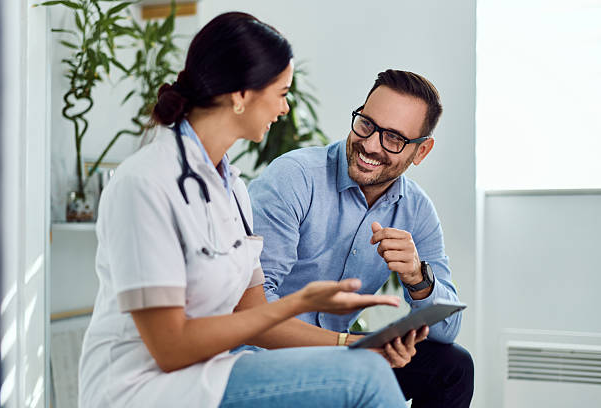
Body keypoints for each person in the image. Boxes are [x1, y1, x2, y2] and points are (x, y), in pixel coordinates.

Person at [77, 12, 415, 408]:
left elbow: (256, 321)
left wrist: (351, 343)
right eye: (281, 91)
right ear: (241, 95)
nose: (286, 108)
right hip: (140, 388)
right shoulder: (145, 182)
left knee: (367, 366)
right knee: (366, 381)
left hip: (210, 373)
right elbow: (169, 349)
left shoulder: (231, 189)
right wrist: (302, 302)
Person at [248, 69, 475, 407]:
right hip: (269, 355)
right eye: (366, 124)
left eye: (393, 138)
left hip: (341, 352)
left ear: (421, 151)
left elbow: (446, 329)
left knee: (452, 365)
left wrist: (417, 278)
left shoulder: (416, 210)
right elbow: (252, 311)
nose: (370, 145)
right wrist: (348, 346)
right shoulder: (295, 178)